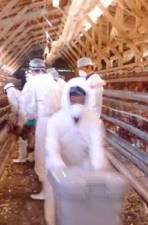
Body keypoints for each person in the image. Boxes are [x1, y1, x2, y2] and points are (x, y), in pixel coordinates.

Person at [44, 77, 108, 225]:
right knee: (57, 202)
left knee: (81, 203)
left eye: (81, 98)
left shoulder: (93, 120)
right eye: (74, 98)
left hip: (82, 166)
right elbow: (52, 147)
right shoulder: (56, 120)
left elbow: (96, 145)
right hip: (58, 168)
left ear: (86, 99)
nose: (77, 101)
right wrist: (61, 168)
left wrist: (98, 166)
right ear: (67, 98)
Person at [22, 58, 61, 200]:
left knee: (43, 154)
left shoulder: (32, 82)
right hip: (56, 120)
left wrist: (30, 120)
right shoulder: (51, 81)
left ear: (31, 70)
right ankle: (59, 185)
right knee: (55, 151)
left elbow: (28, 103)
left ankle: (47, 191)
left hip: (43, 120)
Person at [3, 83, 28, 163]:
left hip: (23, 115)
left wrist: (12, 118)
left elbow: (14, 107)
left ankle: (22, 158)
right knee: (28, 135)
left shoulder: (10, 92)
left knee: (22, 136)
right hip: (27, 114)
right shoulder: (16, 91)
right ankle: (30, 156)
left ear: (5, 90)